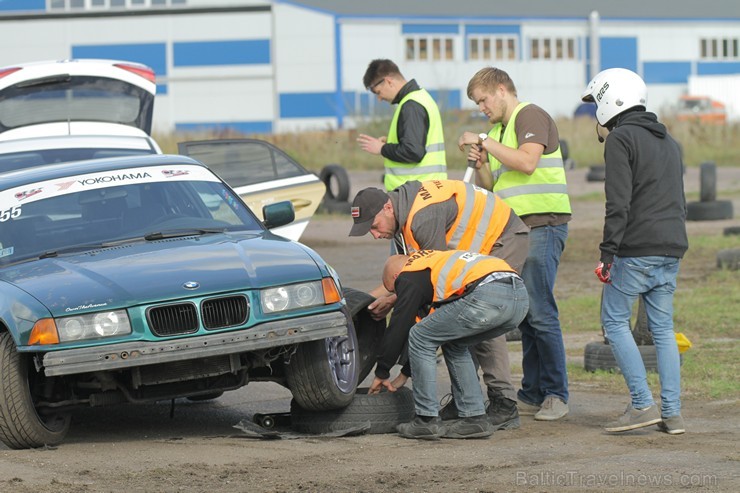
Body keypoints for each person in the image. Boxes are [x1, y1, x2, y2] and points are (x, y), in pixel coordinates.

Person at [349, 179, 529, 429]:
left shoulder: (422, 218)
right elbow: (413, 281)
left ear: (388, 208)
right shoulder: (404, 217)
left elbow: (429, 290)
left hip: (503, 238)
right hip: (481, 256)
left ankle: (503, 403)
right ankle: (467, 402)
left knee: (479, 318)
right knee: (456, 325)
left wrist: (390, 369)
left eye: (375, 226)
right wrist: (381, 299)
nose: (375, 234)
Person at [457, 67, 571, 421]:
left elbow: (527, 161)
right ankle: (533, 391)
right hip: (518, 230)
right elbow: (493, 186)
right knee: (525, 315)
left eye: (483, 100)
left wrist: (484, 141)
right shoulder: (497, 131)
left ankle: (556, 394)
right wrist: (480, 163)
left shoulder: (530, 115)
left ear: (502, 90)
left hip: (543, 226)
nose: (481, 108)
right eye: (477, 104)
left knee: (540, 311)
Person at [581, 68, 688, 434]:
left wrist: (607, 253)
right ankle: (672, 413)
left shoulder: (620, 140)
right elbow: (679, 200)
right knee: (662, 329)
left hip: (636, 249)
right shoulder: (670, 142)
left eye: (597, 101)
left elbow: (619, 204)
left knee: (614, 321)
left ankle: (642, 404)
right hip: (672, 247)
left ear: (612, 100)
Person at [369, 250, 529, 440]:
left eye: (395, 289)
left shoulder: (409, 274)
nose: (399, 293)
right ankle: (474, 418)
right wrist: (405, 374)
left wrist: (382, 371)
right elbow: (433, 333)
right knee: (454, 342)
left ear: (396, 277)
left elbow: (399, 325)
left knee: (419, 334)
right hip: (519, 298)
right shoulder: (434, 265)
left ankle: (426, 420)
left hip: (487, 293)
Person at [357, 59, 447, 192]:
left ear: (388, 81)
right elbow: (418, 142)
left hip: (416, 194)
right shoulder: (420, 98)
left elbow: (413, 151)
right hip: (426, 190)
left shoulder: (411, 106)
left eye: (378, 92)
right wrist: (391, 142)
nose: (379, 99)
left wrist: (382, 148)